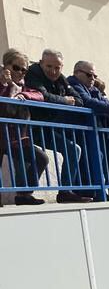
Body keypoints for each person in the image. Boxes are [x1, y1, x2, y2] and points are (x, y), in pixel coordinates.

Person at [24, 49, 91, 202]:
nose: (53, 71)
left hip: (47, 127)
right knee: (37, 157)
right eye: (49, 66)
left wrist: (65, 99)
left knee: (74, 149)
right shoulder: (32, 73)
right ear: (41, 63)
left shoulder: (61, 78)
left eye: (57, 67)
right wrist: (65, 101)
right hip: (29, 126)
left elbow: (79, 100)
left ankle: (65, 192)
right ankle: (23, 194)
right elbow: (42, 96)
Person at [0, 48, 47, 205]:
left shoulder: (23, 86)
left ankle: (24, 195)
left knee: (41, 158)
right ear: (6, 65)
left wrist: (23, 95)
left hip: (15, 137)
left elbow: (40, 95)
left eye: (24, 70)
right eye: (16, 68)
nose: (20, 72)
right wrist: (5, 85)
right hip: (1, 134)